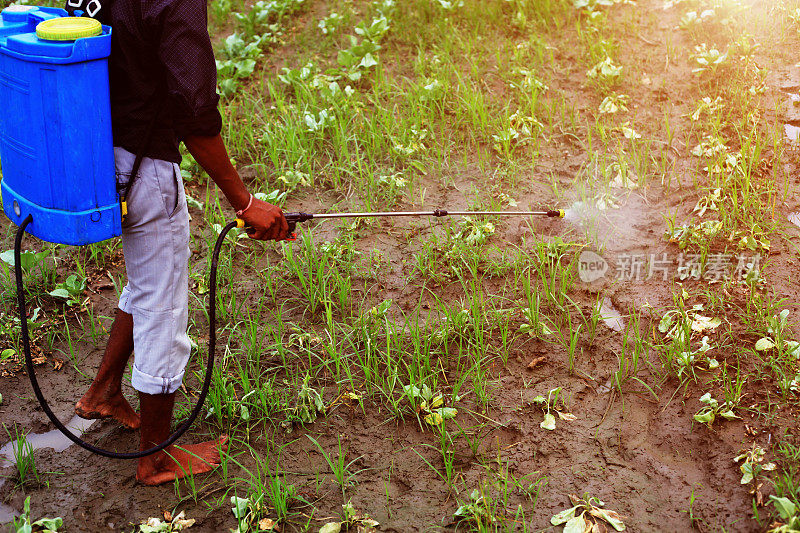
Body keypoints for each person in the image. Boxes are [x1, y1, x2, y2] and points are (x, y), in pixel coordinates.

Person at [64, 0, 288, 485]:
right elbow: (194, 110)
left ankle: (102, 392)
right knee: (164, 306)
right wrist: (244, 202)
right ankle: (156, 459)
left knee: (148, 279)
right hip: (143, 165)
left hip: (93, 150)